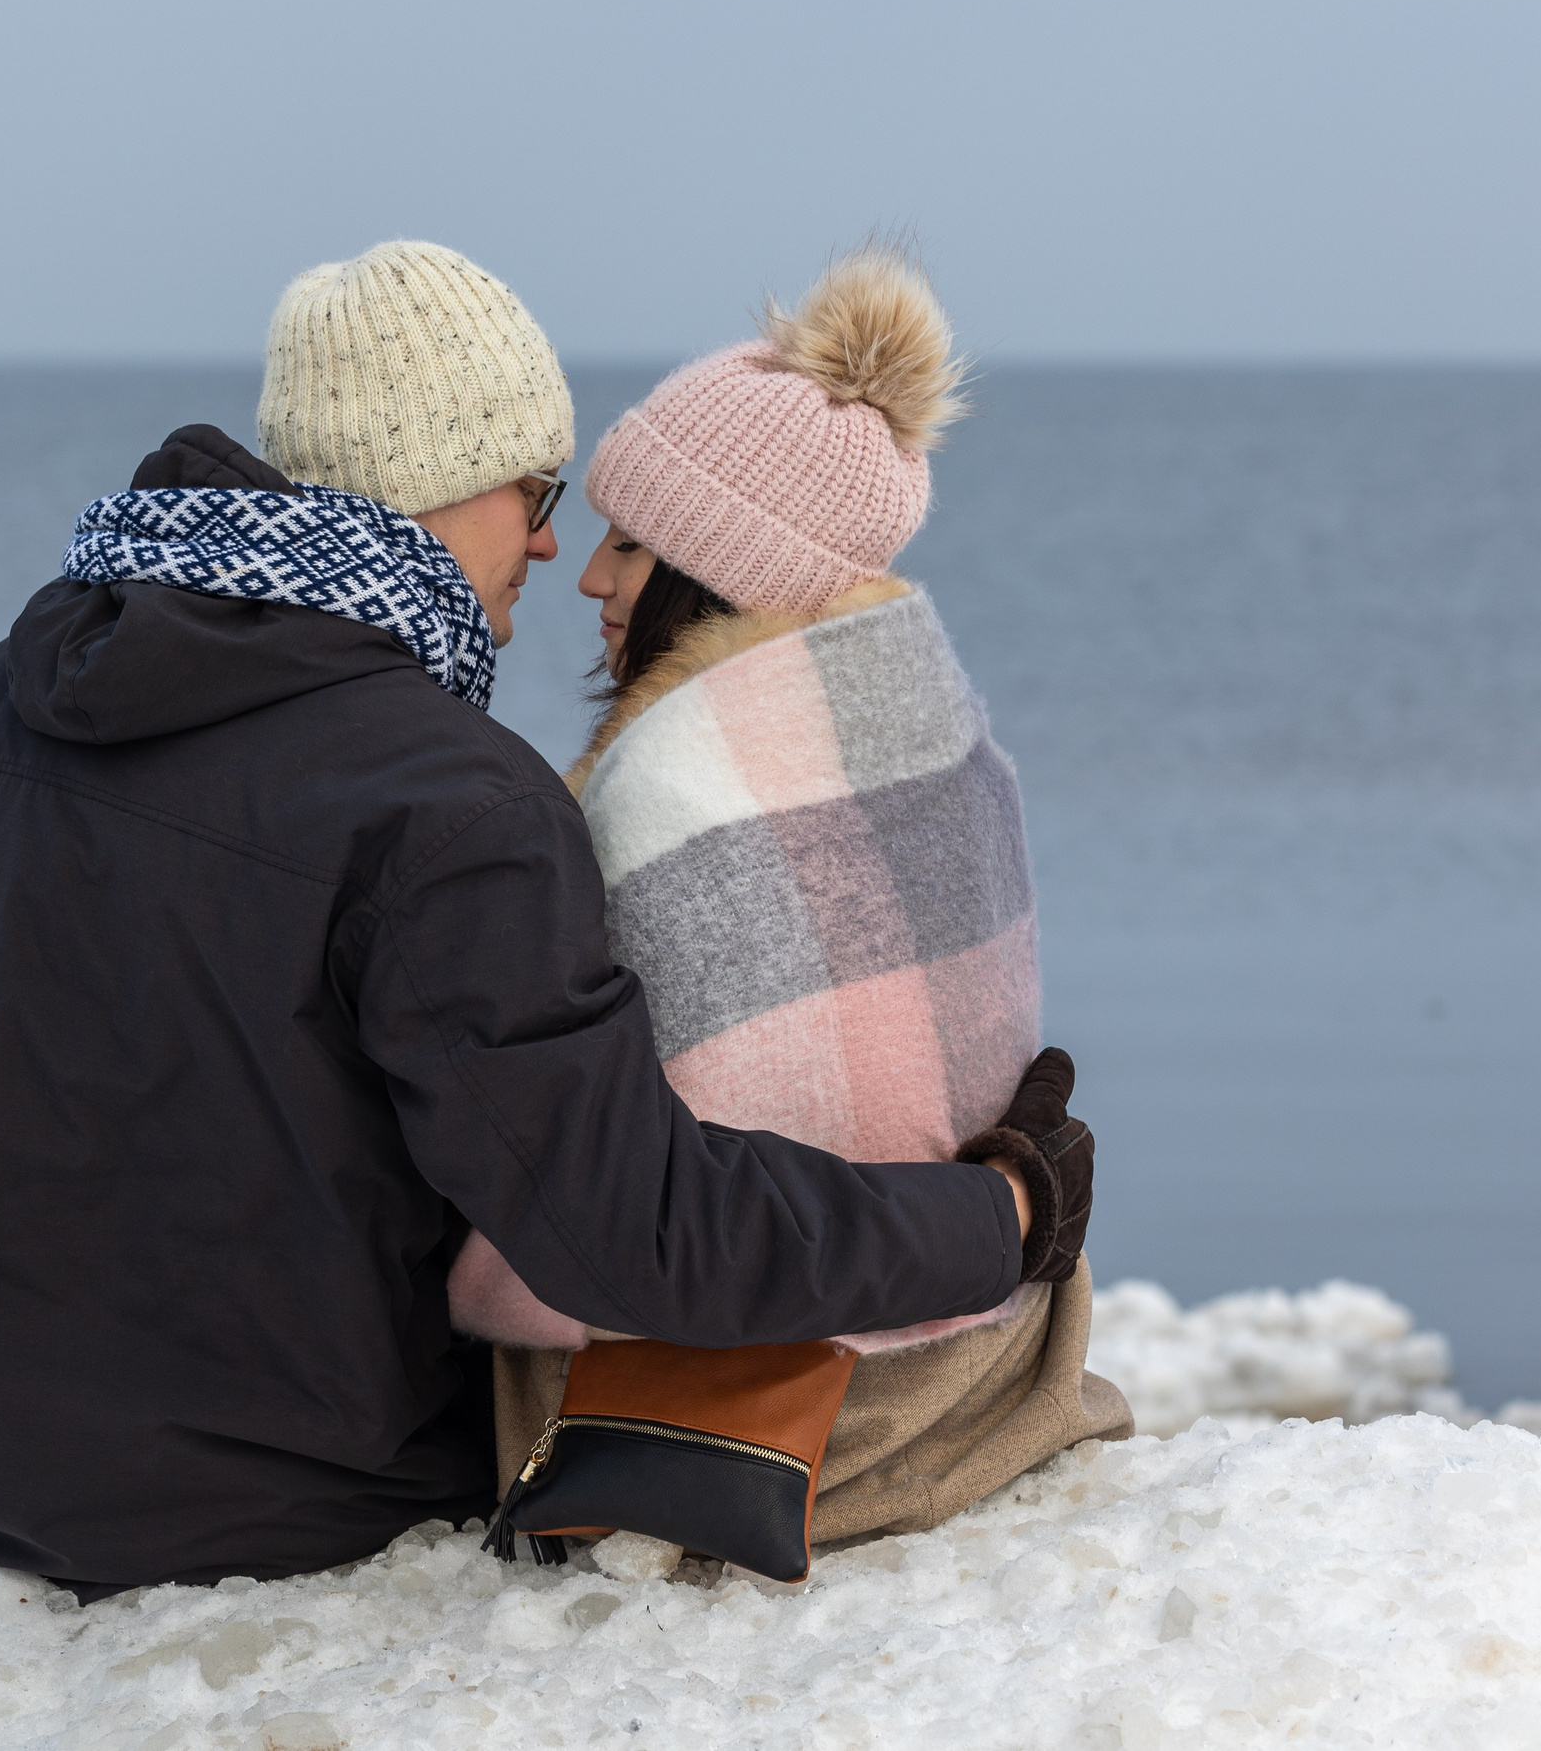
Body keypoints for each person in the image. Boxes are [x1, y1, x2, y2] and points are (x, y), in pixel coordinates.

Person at [0, 241, 1083, 1678]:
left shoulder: (6, 694)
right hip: (259, 1487)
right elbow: (630, 1229)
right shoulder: (456, 806)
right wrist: (996, 1211)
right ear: (456, 483)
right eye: (542, 499)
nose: (553, 550)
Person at [453, 245, 1132, 1542]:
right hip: (990, 1348)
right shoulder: (949, 742)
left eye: (631, 546)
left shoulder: (668, 794)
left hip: (792, 1408)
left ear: (724, 568)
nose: (591, 578)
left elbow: (631, 1221)